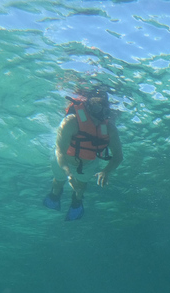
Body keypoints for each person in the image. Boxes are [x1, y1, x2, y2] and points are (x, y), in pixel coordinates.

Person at [42, 89, 123, 221]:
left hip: (88, 163)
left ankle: (77, 201)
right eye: (97, 109)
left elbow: (118, 156)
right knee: (59, 181)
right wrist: (68, 173)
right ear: (89, 107)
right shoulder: (71, 122)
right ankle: (55, 195)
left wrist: (105, 171)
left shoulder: (109, 129)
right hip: (63, 160)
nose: (100, 115)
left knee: (80, 187)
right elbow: (60, 151)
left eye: (105, 112)